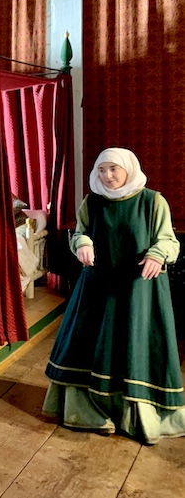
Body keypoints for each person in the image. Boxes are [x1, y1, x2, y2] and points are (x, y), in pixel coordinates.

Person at [43, 147, 185, 444]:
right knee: (85, 346)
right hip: (97, 288)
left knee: (134, 346)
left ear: (128, 169)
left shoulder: (152, 201)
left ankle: (136, 416)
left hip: (139, 291)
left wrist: (158, 255)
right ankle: (89, 412)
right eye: (101, 170)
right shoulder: (92, 203)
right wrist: (81, 243)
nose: (106, 176)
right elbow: (81, 232)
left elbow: (168, 241)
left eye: (113, 170)